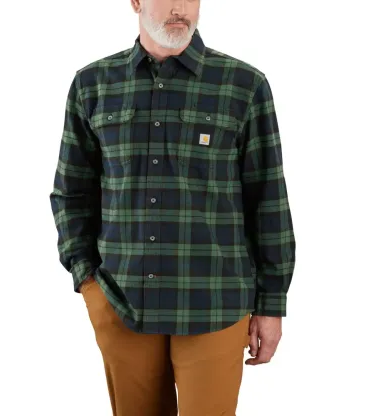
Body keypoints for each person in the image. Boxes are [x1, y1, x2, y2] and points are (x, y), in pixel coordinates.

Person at [49, 0, 296, 414]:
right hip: (121, 302)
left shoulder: (243, 85)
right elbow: (71, 191)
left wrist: (272, 304)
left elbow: (268, 198)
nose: (180, 7)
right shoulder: (93, 84)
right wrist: (87, 280)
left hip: (216, 303)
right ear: (136, 2)